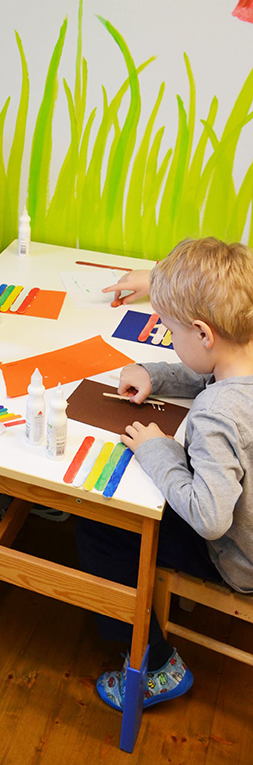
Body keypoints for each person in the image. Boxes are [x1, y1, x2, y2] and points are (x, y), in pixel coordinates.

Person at [77, 237, 253, 711]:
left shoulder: (219, 413)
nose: (172, 341)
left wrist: (160, 452)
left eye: (171, 332)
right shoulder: (242, 357)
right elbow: (210, 371)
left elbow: (209, 518)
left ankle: (155, 665)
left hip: (238, 558)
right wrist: (156, 373)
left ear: (202, 333)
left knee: (101, 524)